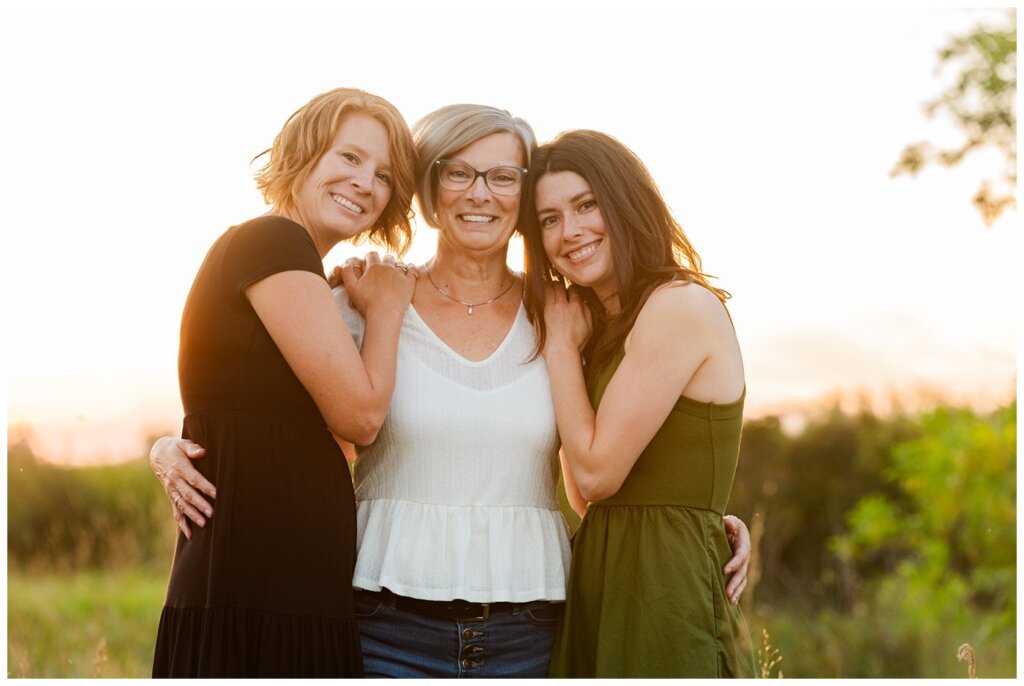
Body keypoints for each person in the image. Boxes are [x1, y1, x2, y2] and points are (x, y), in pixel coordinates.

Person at [151, 106, 752, 678]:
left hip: (535, 632)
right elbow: (247, 392)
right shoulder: (365, 301)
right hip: (385, 628)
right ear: (428, 191)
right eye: (458, 172)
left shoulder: (568, 318)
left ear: (520, 198)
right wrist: (168, 447)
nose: (479, 192)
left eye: (501, 176)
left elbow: (623, 449)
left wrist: (703, 519)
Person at [150, 87, 419, 678]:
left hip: (279, 574)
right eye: (349, 158)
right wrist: (389, 308)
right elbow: (362, 418)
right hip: (258, 580)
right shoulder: (273, 241)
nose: (364, 182)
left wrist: (164, 446)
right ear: (304, 154)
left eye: (383, 175)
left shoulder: (300, 273)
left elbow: (250, 403)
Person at [523, 129, 755, 678]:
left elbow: (599, 474)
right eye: (550, 219)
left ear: (625, 203)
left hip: (666, 592)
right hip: (605, 577)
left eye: (586, 205)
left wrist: (558, 349)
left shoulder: (678, 306)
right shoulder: (599, 331)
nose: (570, 231)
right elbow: (586, 495)